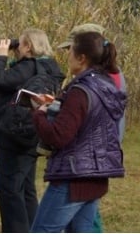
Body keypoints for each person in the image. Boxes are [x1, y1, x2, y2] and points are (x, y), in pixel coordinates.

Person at [29, 28, 127, 232]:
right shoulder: (106, 86)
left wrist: (39, 113)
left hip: (72, 177)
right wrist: (58, 104)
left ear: (81, 58)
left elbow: (58, 136)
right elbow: (88, 122)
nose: (68, 57)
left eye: (71, 51)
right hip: (96, 175)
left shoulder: (80, 91)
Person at [0, 28, 66, 232]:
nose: (16, 47)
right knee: (25, 189)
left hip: (15, 136)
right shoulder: (47, 67)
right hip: (31, 134)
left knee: (8, 188)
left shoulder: (28, 67)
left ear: (29, 46)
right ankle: (34, 229)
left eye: (19, 44)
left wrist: (1, 56)